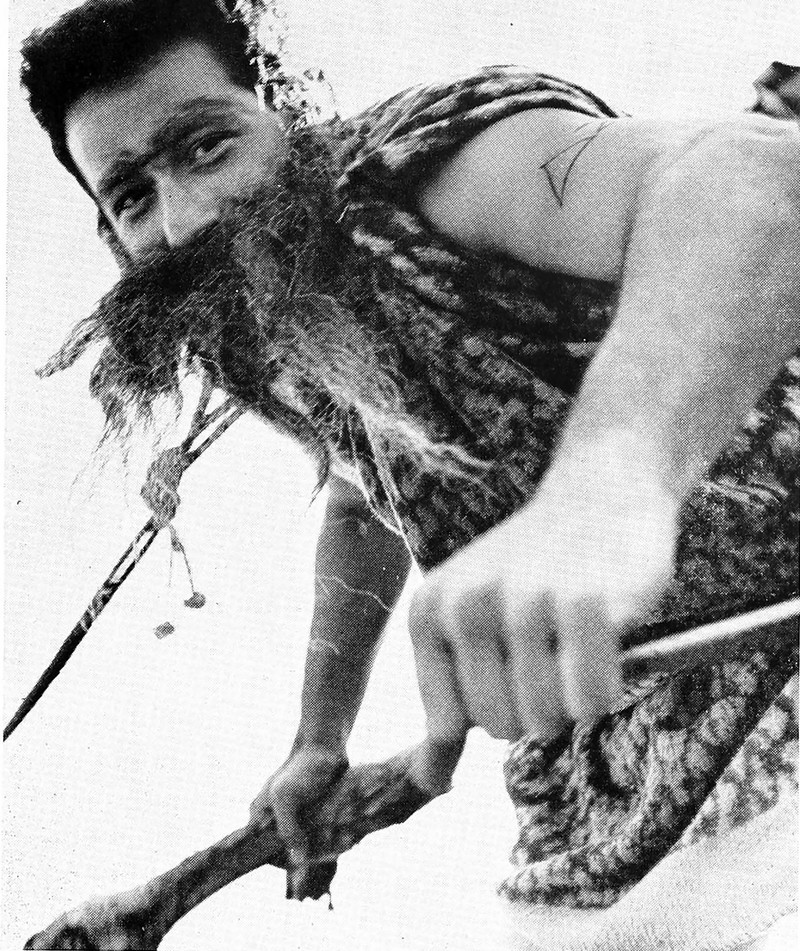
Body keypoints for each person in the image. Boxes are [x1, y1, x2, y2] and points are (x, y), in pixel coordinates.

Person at [20, 0, 799, 945]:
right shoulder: (253, 313)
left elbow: (757, 176)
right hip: (613, 761)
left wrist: (610, 487)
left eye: (207, 146)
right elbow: (368, 494)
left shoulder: (426, 168)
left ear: (281, 109)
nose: (185, 221)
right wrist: (320, 736)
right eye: (132, 197)